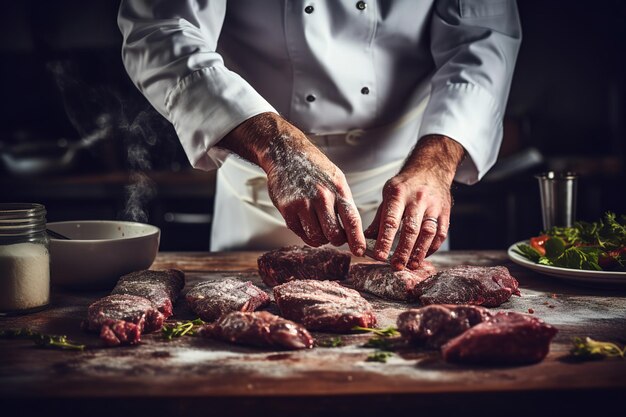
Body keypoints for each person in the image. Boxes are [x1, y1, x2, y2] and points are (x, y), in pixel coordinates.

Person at [118, 0, 521, 271]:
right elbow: (161, 29)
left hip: (405, 186)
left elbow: (483, 39)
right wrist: (275, 144)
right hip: (261, 185)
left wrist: (436, 164)